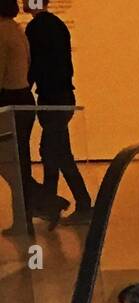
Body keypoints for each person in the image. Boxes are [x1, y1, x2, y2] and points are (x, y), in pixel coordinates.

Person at [24, 0, 91, 225]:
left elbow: (35, 66)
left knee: (55, 153)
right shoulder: (57, 24)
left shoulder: (35, 28)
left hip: (52, 99)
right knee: (55, 153)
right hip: (62, 97)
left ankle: (73, 204)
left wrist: (22, 88)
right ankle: (56, 204)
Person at [0, 0, 60, 232]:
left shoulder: (3, 31)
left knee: (10, 163)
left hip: (9, 100)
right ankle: (31, 213)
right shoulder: (16, 29)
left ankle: (40, 205)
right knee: (17, 162)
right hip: (23, 99)